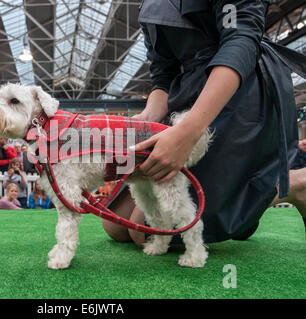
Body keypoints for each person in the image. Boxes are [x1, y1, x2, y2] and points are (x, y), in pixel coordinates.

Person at [104, 0, 306, 247]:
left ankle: (293, 184)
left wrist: (188, 132)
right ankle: (233, 201)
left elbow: (240, 41)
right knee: (116, 224)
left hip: (238, 93)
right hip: (187, 94)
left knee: (149, 231)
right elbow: (163, 75)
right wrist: (143, 123)